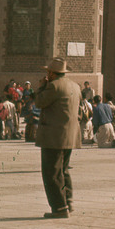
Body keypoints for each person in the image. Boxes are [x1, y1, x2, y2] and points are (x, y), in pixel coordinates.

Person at [34, 57, 82, 218]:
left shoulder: (53, 86)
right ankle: (68, 202)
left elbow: (39, 102)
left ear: (51, 73)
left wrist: (41, 87)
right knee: (63, 170)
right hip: (69, 136)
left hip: (53, 136)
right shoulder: (75, 86)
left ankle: (60, 208)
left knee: (51, 172)